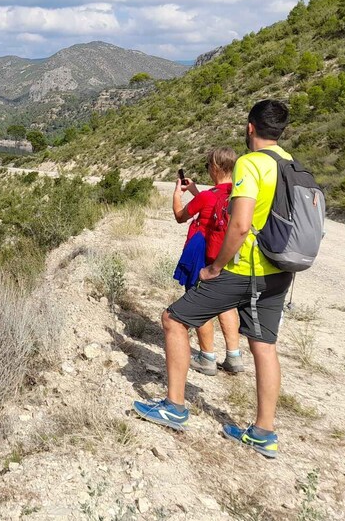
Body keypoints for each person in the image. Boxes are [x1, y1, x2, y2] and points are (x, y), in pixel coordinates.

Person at [133, 100, 296, 459]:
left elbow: (239, 224)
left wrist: (215, 267)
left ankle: (174, 407)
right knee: (265, 346)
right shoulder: (289, 164)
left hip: (244, 269)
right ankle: (263, 432)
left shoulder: (250, 163)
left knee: (173, 320)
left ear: (250, 127)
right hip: (279, 272)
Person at [171, 147, 243, 376]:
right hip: (229, 257)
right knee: (227, 304)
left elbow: (180, 216)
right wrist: (194, 190)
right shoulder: (239, 195)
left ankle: (207, 357)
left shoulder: (207, 196)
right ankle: (234, 357)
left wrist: (177, 193)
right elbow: (213, 203)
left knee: (199, 305)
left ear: (215, 167)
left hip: (204, 259)